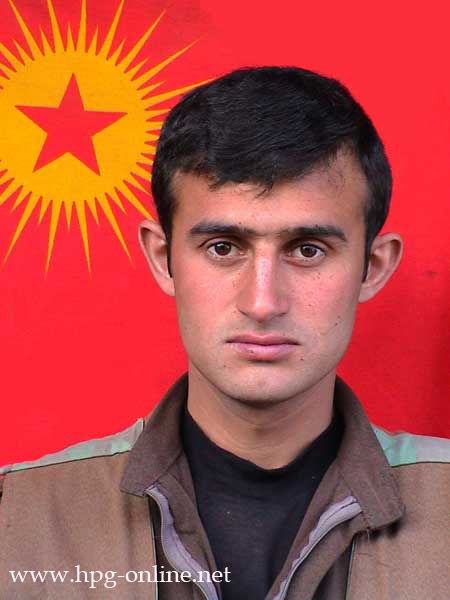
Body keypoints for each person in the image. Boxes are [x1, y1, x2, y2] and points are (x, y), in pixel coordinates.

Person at [1, 66, 449, 600]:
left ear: (372, 267)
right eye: (223, 247)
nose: (262, 303)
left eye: (308, 250)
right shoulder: (19, 517)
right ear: (163, 258)